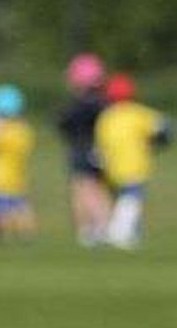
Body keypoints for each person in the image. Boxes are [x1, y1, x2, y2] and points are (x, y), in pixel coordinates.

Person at [94, 72, 170, 249]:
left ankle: (131, 234)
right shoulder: (138, 113)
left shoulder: (106, 116)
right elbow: (164, 128)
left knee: (123, 198)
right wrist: (155, 144)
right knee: (131, 199)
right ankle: (118, 233)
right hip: (134, 164)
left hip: (111, 166)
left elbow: (100, 143)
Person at [57, 53, 111, 246]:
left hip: (81, 149)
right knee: (99, 189)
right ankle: (104, 227)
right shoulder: (104, 103)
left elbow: (62, 123)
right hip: (101, 151)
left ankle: (91, 229)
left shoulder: (79, 104)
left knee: (83, 189)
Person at [0, 83, 37, 239]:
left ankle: (5, 234)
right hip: (18, 175)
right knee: (21, 206)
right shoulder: (23, 129)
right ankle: (26, 233)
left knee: (1, 209)